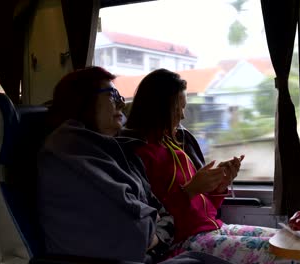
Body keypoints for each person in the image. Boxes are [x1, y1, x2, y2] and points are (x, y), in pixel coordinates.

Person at [37, 67, 230, 264]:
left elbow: (162, 213)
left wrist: (156, 225)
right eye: (112, 95)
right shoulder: (71, 153)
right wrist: (156, 223)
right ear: (83, 100)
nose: (121, 102)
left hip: (152, 252)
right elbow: (139, 233)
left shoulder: (119, 151)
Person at [126, 69, 300, 264]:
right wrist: (190, 190)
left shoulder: (175, 148)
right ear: (158, 108)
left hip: (213, 228)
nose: (182, 117)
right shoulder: (141, 156)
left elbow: (205, 210)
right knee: (292, 256)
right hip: (184, 241)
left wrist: (220, 185)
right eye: (177, 109)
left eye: (184, 108)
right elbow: (155, 220)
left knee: (295, 241)